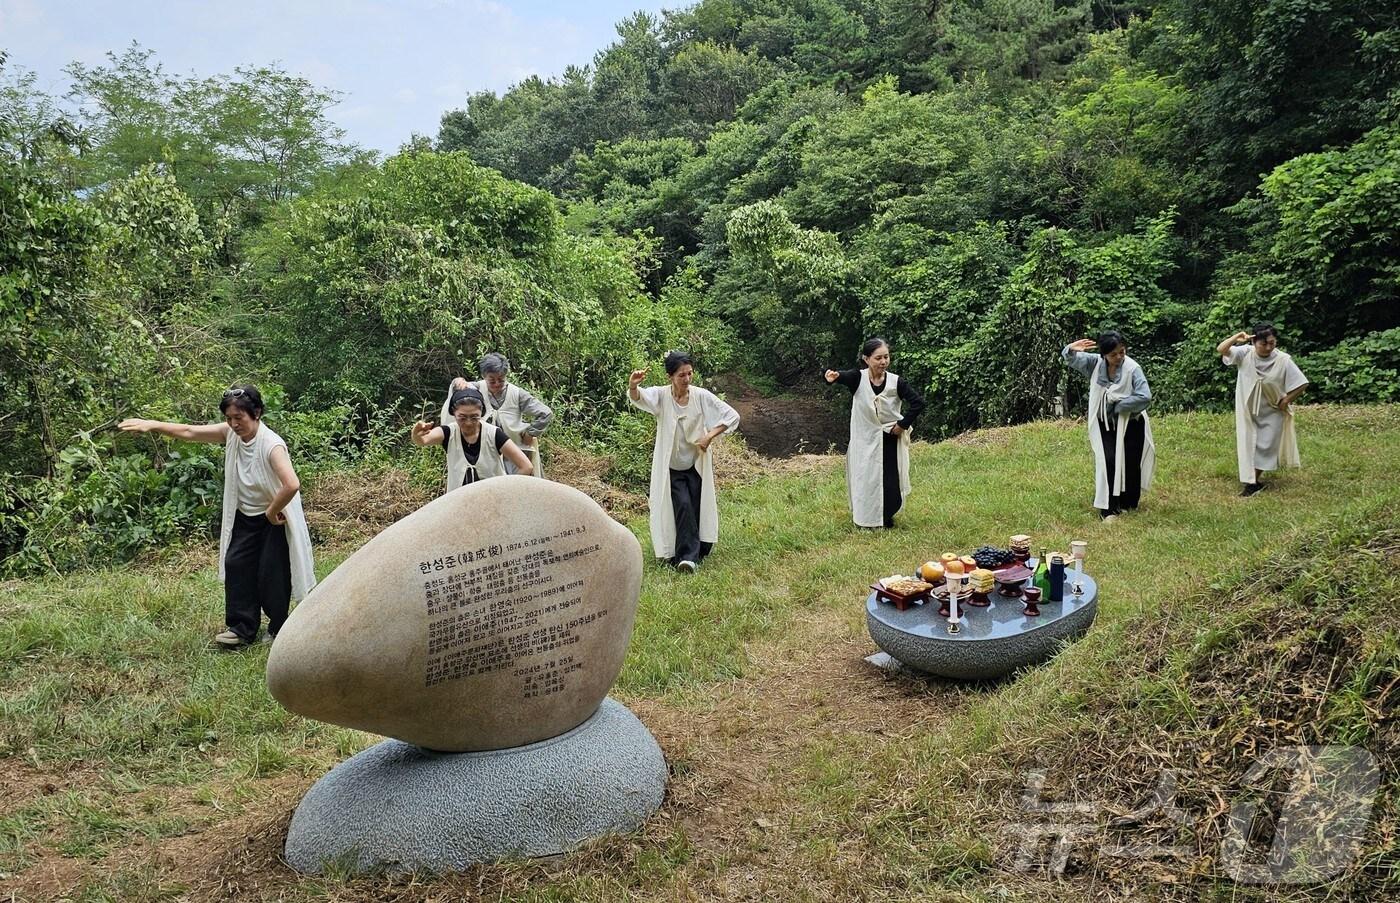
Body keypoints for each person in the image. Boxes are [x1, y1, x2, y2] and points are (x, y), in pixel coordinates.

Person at [118, 385, 316, 647]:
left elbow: (291, 483)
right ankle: (241, 628)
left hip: (272, 519)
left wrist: (270, 511)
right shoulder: (231, 435)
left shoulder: (271, 445)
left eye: (239, 418)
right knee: (236, 565)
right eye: (229, 419)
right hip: (245, 516)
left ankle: (278, 627)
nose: (233, 424)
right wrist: (151, 424)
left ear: (256, 413)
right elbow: (189, 431)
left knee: (272, 574)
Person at [628, 351, 740, 572]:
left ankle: (699, 548)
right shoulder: (661, 396)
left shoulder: (700, 396)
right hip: (672, 467)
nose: (687, 379)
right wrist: (633, 385)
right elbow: (639, 396)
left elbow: (731, 416)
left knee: (698, 505)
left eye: (690, 374)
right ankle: (686, 558)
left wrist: (709, 436)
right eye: (681, 375)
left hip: (695, 463)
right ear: (670, 376)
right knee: (683, 506)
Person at [824, 338, 926, 528]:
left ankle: (886, 517)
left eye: (886, 357)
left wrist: (902, 425)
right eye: (878, 358)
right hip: (865, 440)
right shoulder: (857, 378)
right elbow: (839, 376)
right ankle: (864, 519)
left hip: (889, 438)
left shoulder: (896, 382)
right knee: (865, 479)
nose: (883, 362)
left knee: (888, 479)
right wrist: (831, 377)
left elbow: (918, 403)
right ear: (866, 359)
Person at [1062, 331, 1156, 520]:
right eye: (1114, 354)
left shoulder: (1132, 368)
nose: (1119, 357)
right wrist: (1071, 349)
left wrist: (1120, 405)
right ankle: (1109, 508)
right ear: (1104, 354)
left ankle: (1128, 502)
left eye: (1122, 352)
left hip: (1131, 422)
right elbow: (1071, 359)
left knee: (1130, 462)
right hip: (1104, 422)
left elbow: (1145, 396)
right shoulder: (1095, 363)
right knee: (1108, 461)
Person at [1217, 323, 1309, 496]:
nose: (1268, 347)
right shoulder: (1245, 353)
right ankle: (1252, 480)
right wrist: (1237, 337)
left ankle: (1253, 482)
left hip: (1272, 410)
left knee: (1266, 445)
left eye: (1272, 343)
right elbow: (1221, 349)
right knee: (1249, 443)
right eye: (1263, 344)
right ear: (1254, 342)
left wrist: (1287, 399)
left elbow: (1302, 383)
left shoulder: (1283, 359)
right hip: (1248, 409)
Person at [446, 353, 552, 477]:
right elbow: (457, 394)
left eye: (501, 380)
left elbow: (545, 413)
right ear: (484, 376)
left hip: (514, 454)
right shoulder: (475, 389)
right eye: (492, 380)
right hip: (486, 456)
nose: (497, 384)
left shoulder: (517, 394)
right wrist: (457, 382)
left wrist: (530, 433)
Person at [414, 386, 534, 492]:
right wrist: (416, 432)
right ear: (453, 413)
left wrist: (505, 491)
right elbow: (423, 440)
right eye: (462, 417)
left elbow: (526, 466)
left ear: (481, 413)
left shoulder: (494, 434)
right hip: (458, 503)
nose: (468, 423)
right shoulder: (448, 433)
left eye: (474, 417)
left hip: (492, 503)